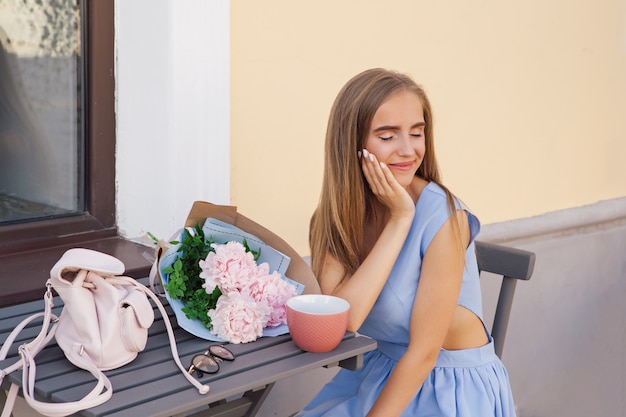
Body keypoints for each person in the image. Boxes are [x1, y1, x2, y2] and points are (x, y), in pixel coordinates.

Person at [298, 68, 516, 417]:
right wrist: (399, 220)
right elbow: (343, 322)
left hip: (447, 387)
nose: (408, 150)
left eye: (417, 133)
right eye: (387, 136)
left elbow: (424, 354)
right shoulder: (337, 217)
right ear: (351, 145)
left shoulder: (445, 218)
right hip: (380, 372)